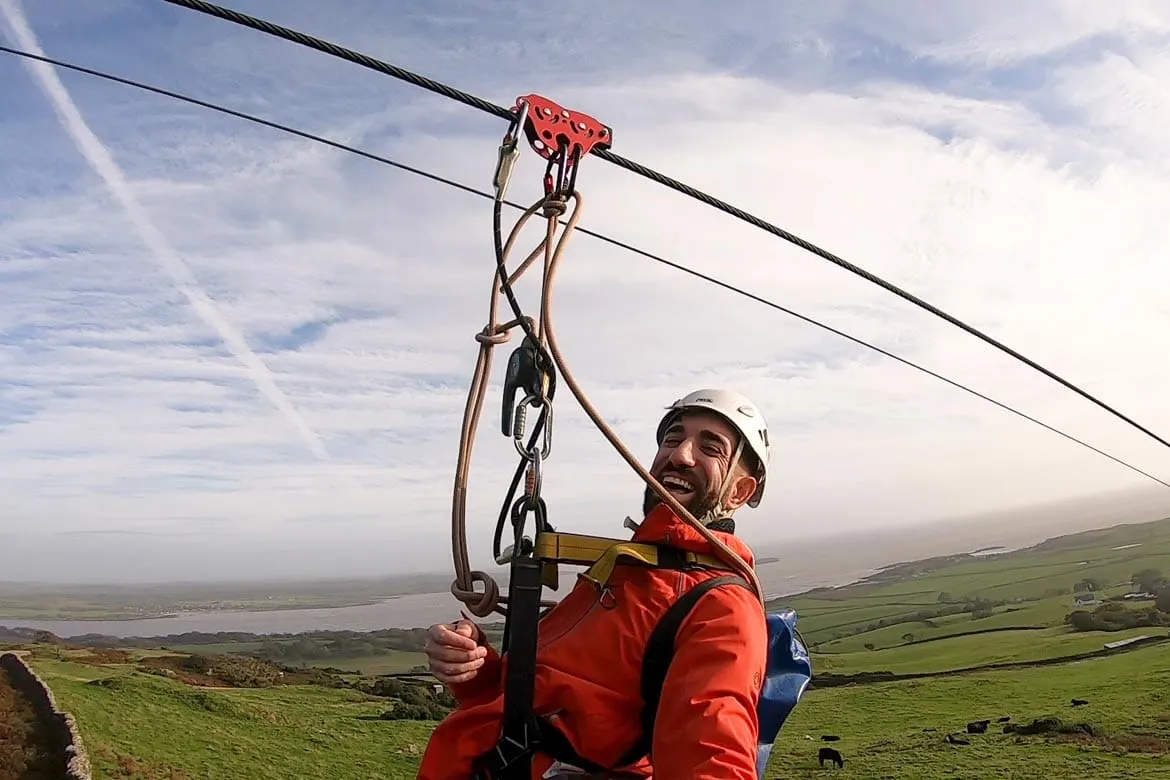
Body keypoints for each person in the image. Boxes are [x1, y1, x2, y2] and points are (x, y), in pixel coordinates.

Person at [417, 389, 773, 780]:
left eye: (712, 448)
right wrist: (477, 667)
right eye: (673, 438)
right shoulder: (632, 568)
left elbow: (711, 756)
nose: (679, 455)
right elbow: (551, 695)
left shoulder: (721, 606)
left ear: (740, 491)